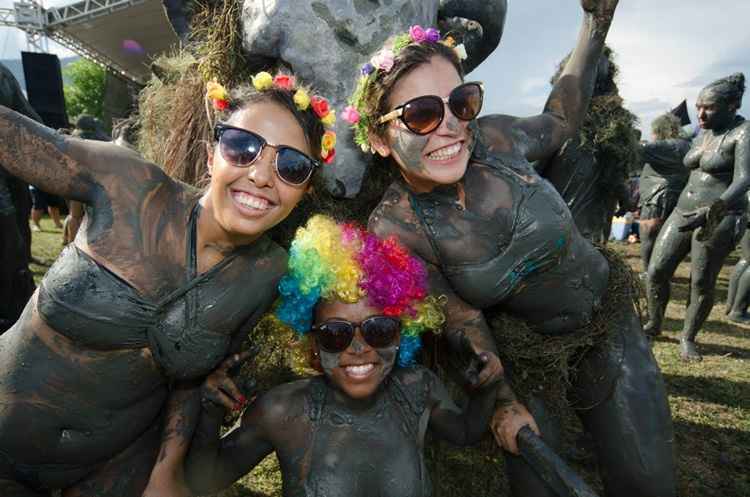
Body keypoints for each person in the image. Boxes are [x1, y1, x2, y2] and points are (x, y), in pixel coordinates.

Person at [341, 2, 676, 496]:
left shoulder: (497, 139)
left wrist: (594, 22)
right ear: (379, 137)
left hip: (609, 324)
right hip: (527, 357)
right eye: (421, 114)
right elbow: (460, 320)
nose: (450, 125)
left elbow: (560, 118)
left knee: (646, 480)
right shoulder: (395, 228)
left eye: (461, 103)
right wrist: (500, 400)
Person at [0, 71, 336, 496]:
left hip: (111, 468)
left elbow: (191, 376)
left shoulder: (267, 273)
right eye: (242, 147)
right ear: (211, 155)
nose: (261, 176)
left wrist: (166, 470)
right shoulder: (127, 185)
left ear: (305, 191)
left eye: (290, 165)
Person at [184, 215, 501, 497]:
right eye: (336, 334)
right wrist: (210, 414)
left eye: (378, 329)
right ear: (313, 342)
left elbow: (465, 432)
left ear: (402, 332)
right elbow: (204, 481)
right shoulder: (283, 413)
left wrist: (486, 391)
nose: (359, 347)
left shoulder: (417, 389)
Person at [645, 73, 749, 360]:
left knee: (701, 281)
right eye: (699, 106)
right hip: (682, 210)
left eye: (709, 108)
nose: (700, 114)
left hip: (718, 216)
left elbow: (744, 179)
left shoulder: (743, 133)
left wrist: (713, 210)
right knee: (656, 271)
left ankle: (688, 337)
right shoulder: (703, 132)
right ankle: (654, 323)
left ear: (732, 105)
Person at [0, 63, 38, 333]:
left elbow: (27, 118)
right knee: (9, 243)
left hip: (10, 180)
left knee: (14, 247)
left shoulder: (2, 74)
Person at [637, 112, 691, 272]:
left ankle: (649, 272)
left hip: (657, 199)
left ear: (660, 130)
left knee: (648, 238)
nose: (652, 135)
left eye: (654, 131)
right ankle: (661, 271)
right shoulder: (686, 145)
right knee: (667, 239)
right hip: (678, 197)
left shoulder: (663, 146)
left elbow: (634, 151)